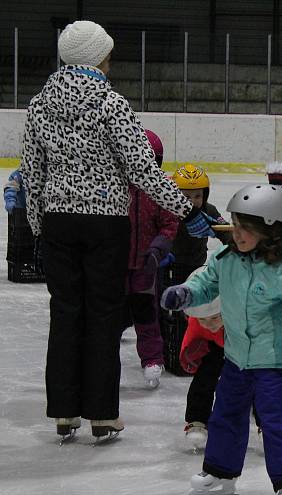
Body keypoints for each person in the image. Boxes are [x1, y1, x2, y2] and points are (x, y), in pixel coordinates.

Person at [20, 20, 216, 442]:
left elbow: (32, 173)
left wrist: (39, 228)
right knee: (104, 315)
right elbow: (144, 169)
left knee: (66, 313)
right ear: (97, 56)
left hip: (58, 221)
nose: (111, 61)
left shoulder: (39, 104)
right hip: (105, 223)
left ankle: (64, 411)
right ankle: (102, 414)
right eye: (107, 53)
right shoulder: (111, 103)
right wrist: (185, 211)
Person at [161, 184, 282, 495]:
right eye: (236, 225)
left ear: (272, 229)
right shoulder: (227, 259)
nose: (238, 234)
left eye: (247, 228)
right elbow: (206, 282)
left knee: (277, 423)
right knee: (225, 417)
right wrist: (186, 293)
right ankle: (221, 474)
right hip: (235, 359)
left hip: (272, 364)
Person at [123, 130, 179, 389]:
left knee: (147, 314)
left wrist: (157, 250)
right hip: (115, 265)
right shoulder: (118, 186)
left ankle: (152, 359)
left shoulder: (160, 190)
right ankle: (101, 358)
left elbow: (169, 225)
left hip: (146, 266)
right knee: (111, 315)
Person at [178, 266, 224, 450]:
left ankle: (264, 423)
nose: (209, 324)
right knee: (204, 377)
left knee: (250, 381)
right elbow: (190, 344)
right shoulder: (197, 322)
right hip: (211, 346)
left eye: (214, 318)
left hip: (240, 344)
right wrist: (190, 356)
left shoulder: (243, 316)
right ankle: (197, 419)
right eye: (203, 319)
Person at [167, 163, 229, 284]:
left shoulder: (209, 210)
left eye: (197, 196)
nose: (192, 202)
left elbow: (225, 231)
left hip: (197, 266)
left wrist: (231, 246)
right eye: (187, 197)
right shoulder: (169, 211)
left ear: (205, 195)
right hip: (171, 266)